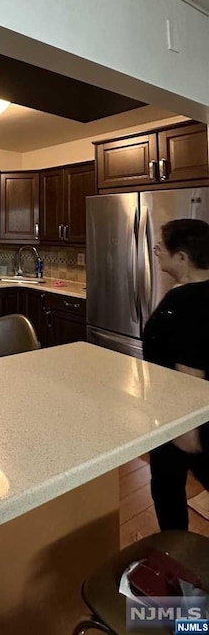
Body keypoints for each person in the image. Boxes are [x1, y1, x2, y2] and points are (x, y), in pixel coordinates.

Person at [142, 218, 209, 530]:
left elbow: (190, 370)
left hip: (180, 416)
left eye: (162, 246)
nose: (156, 249)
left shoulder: (186, 303)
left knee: (168, 487)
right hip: (188, 413)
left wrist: (186, 431)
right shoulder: (193, 291)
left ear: (181, 257)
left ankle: (174, 554)